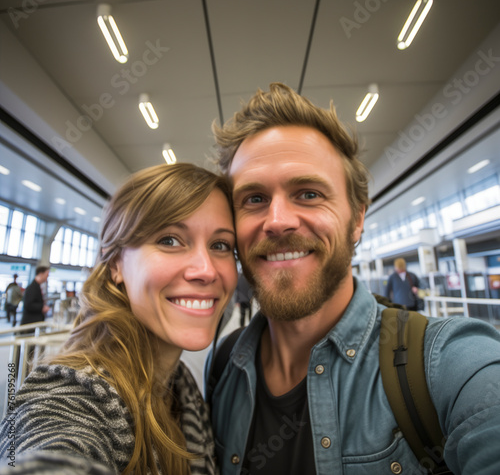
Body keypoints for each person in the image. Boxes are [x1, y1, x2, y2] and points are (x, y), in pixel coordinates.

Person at [206, 83, 500, 474]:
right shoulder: (223, 366)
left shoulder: (446, 367)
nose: (277, 221)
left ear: (357, 218)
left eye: (308, 194)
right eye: (254, 199)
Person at [0, 163, 238, 475]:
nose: (206, 270)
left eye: (220, 245)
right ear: (116, 264)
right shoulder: (75, 392)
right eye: (170, 240)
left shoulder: (179, 385)